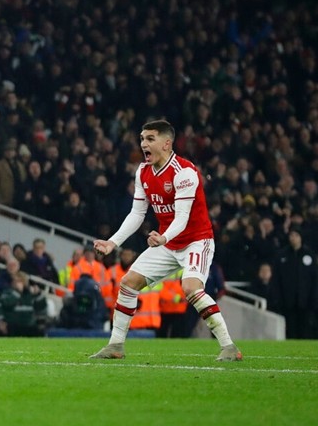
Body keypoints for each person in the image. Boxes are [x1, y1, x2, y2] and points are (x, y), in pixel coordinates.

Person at [90, 120, 242, 361]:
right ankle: (116, 346)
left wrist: (163, 236)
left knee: (191, 289)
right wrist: (112, 243)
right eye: (142, 138)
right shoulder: (143, 171)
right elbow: (137, 214)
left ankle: (229, 347)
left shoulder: (185, 173)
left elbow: (182, 217)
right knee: (128, 283)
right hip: (167, 243)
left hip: (196, 240)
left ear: (167, 143)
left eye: (150, 139)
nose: (143, 144)